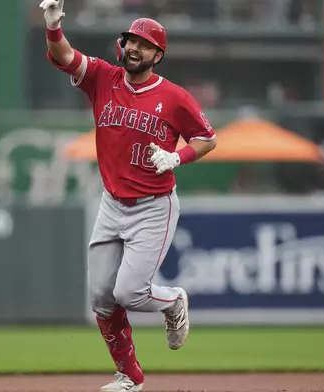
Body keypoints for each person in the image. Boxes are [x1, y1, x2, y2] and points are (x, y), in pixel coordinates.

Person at [39, 1, 217, 391]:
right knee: (102, 298)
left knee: (129, 292)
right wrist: (53, 26)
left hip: (154, 206)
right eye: (131, 40)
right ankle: (130, 377)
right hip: (112, 202)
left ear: (158, 55)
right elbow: (63, 56)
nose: (135, 48)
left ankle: (172, 302)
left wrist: (177, 156)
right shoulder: (103, 77)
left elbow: (207, 139)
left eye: (145, 44)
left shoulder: (174, 97)